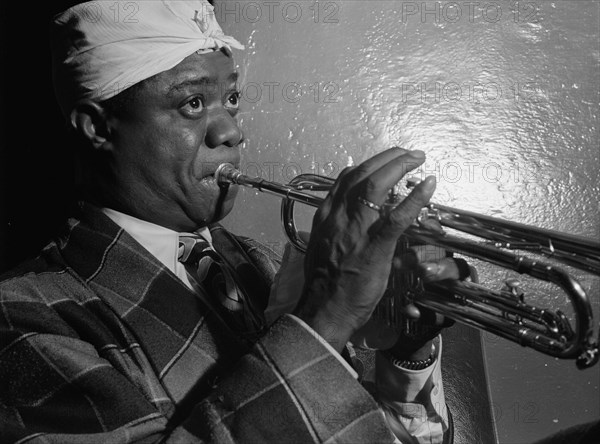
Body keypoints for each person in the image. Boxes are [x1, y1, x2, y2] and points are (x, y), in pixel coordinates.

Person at [0, 1, 471, 442]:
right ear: (98, 127)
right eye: (192, 104)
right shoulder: (25, 315)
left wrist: (408, 351)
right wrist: (326, 319)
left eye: (230, 99)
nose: (231, 130)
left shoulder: (261, 264)